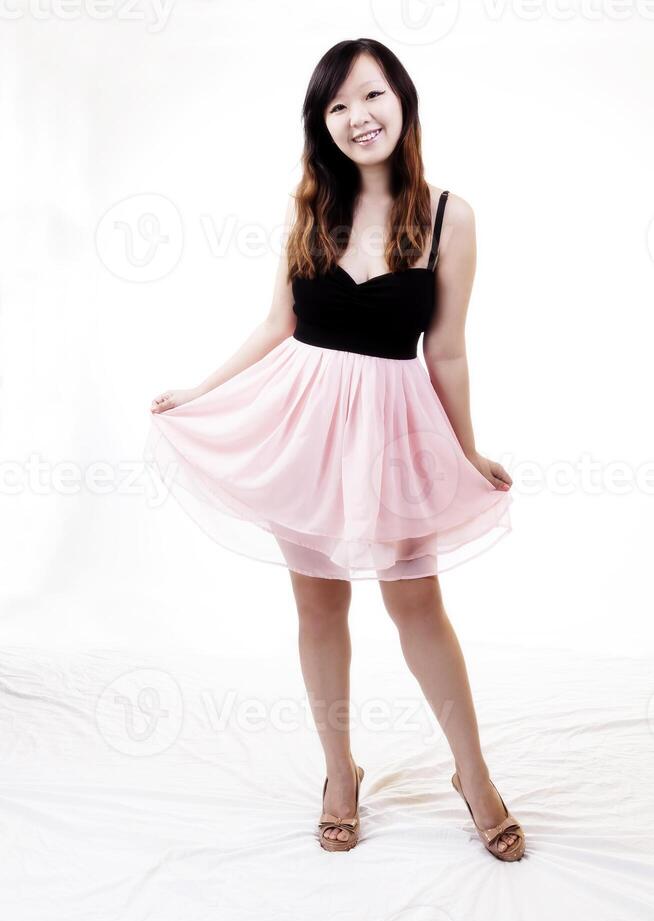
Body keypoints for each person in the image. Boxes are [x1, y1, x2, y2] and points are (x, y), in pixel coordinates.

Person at [145, 38, 525, 860]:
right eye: (339, 105)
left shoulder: (449, 214)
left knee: (415, 603)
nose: (360, 117)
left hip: (394, 435)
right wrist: (202, 391)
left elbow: (447, 350)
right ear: (324, 122)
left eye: (373, 96)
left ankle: (475, 775)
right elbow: (279, 322)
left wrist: (468, 450)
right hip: (304, 429)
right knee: (319, 605)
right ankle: (339, 774)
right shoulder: (310, 205)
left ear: (404, 101)